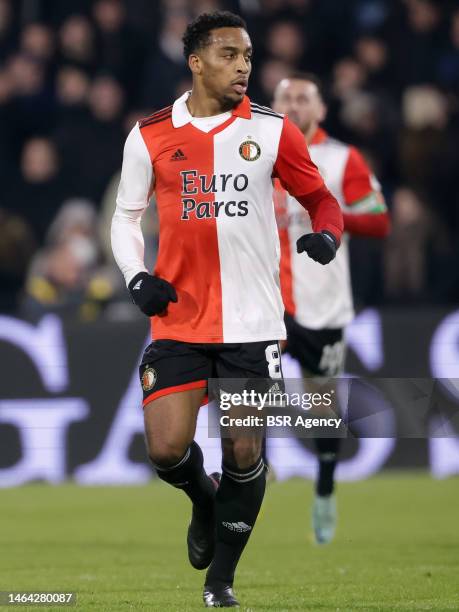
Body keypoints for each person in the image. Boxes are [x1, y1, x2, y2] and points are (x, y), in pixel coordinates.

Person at [111, 13, 343, 608]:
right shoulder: (150, 134)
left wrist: (326, 236)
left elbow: (321, 200)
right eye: (229, 54)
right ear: (196, 61)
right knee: (165, 450)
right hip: (179, 320)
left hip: (254, 324)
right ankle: (203, 501)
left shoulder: (271, 131)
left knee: (244, 450)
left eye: (247, 55)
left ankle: (222, 582)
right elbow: (125, 217)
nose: (244, 65)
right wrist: (137, 276)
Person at [272, 73, 390, 545]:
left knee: (322, 404)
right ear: (274, 105)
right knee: (243, 392)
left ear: (321, 110)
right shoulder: (253, 152)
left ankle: (323, 487)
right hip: (266, 302)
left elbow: (380, 221)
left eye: (304, 99)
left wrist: (331, 212)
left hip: (322, 306)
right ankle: (246, 472)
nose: (295, 105)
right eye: (286, 98)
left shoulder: (343, 159)